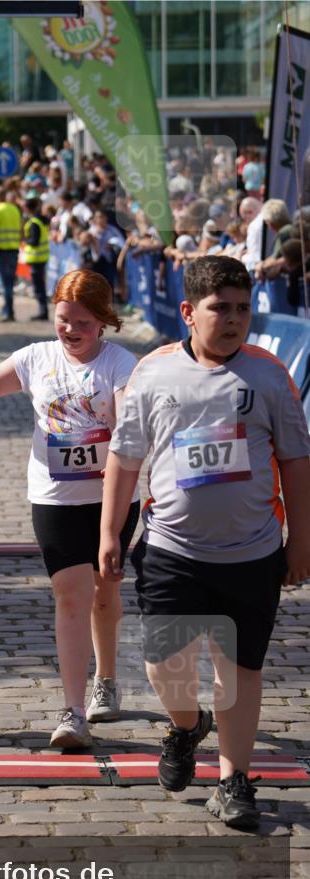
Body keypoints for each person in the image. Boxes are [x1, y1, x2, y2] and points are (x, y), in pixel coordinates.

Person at [99, 256, 310, 829]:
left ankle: (233, 779)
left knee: (239, 670)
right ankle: (187, 726)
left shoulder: (269, 375)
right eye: (222, 308)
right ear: (190, 312)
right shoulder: (154, 372)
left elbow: (295, 460)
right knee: (162, 666)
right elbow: (125, 455)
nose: (235, 319)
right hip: (171, 550)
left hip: (253, 552)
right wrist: (110, 531)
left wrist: (301, 541)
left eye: (244, 308)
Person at [0, 269, 140, 748]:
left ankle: (107, 680)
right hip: (54, 496)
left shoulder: (120, 363)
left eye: (81, 322)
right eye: (62, 320)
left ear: (102, 322)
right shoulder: (36, 358)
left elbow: (128, 421)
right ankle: (72, 712)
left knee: (103, 592)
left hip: (112, 498)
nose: (70, 330)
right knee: (71, 597)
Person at [0, 186, 22, 323]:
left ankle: (8, 311)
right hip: (13, 249)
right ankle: (7, 308)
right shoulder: (14, 209)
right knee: (10, 281)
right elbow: (21, 231)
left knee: (4, 283)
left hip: (1, 250)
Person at [22, 196, 50, 321]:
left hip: (36, 258)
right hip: (41, 258)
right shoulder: (40, 220)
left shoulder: (34, 223)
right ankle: (43, 311)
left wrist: (25, 240)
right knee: (40, 286)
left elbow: (34, 241)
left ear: (28, 208)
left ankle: (42, 312)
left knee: (38, 287)